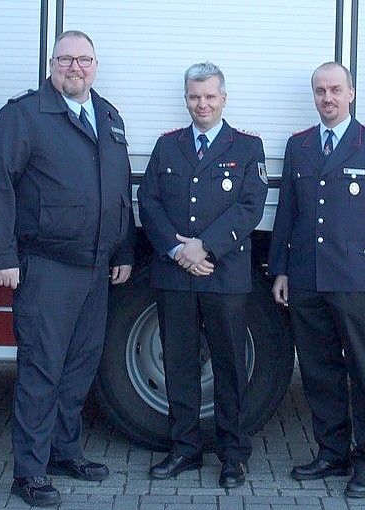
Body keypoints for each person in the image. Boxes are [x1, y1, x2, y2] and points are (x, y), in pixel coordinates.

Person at [0, 30, 134, 507]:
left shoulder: (108, 116)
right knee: (41, 370)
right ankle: (29, 471)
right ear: (51, 64)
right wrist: (2, 256)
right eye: (66, 59)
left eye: (84, 60)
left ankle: (65, 451)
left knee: (80, 367)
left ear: (95, 66)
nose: (75, 68)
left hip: (96, 269)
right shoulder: (24, 115)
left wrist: (124, 250)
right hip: (46, 267)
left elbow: (119, 191)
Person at [267, 62, 365, 498]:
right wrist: (281, 269)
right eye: (320, 91)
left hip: (356, 279)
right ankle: (331, 452)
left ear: (351, 94)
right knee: (319, 371)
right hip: (307, 278)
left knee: (363, 371)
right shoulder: (300, 145)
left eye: (335, 90)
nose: (328, 98)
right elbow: (287, 212)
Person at [137, 62, 267, 489]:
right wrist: (179, 251)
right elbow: (149, 201)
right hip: (176, 274)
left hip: (224, 275)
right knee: (179, 364)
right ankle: (184, 449)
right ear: (186, 99)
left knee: (229, 366)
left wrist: (203, 246)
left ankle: (233, 454)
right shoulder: (167, 145)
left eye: (210, 96)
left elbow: (250, 206)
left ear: (223, 99)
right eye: (195, 97)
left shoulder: (247, 147)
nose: (202, 104)